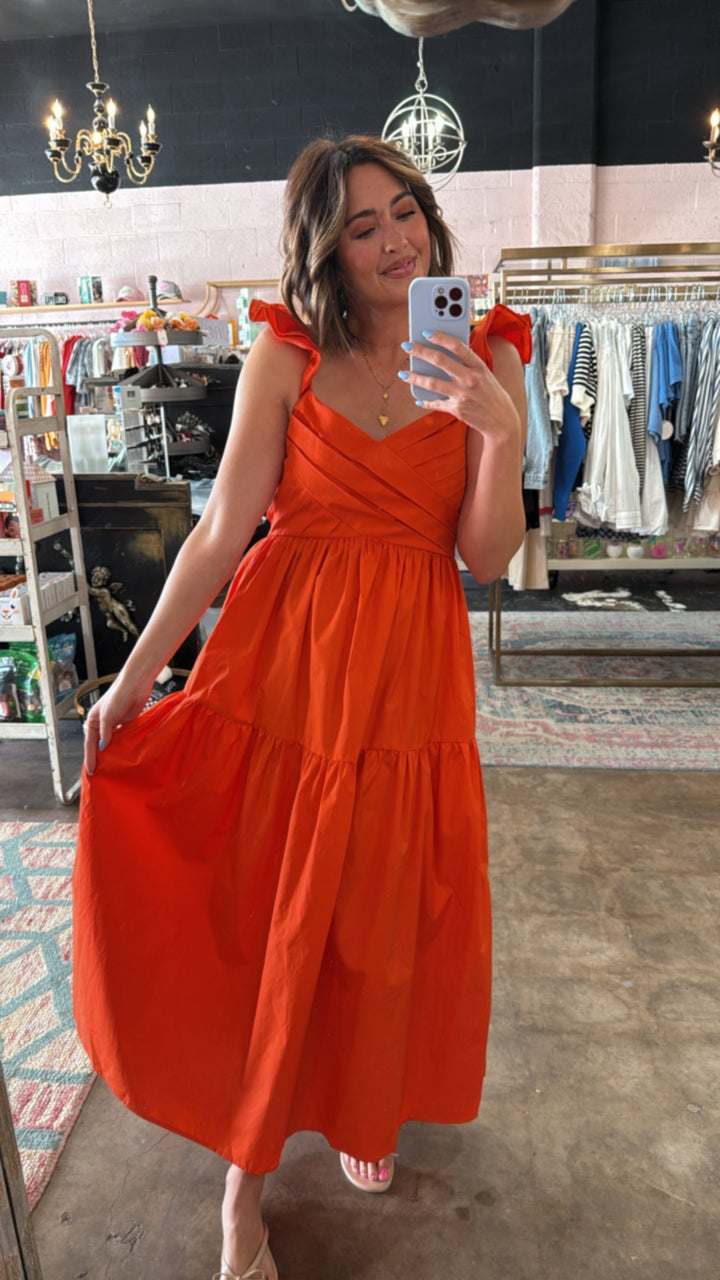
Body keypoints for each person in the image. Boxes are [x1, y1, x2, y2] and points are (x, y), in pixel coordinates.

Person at [73, 135, 530, 1280]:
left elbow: (484, 555)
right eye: (364, 226)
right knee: (273, 908)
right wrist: (136, 675)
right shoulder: (286, 351)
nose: (396, 241)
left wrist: (500, 430)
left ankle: (361, 1100)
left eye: (406, 212)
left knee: (376, 908)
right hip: (284, 666)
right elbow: (221, 531)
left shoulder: (490, 347)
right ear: (326, 250)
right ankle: (245, 1181)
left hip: (408, 670)